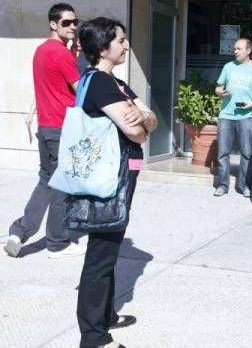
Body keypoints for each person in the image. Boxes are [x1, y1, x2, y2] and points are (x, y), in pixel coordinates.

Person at [76, 17, 158, 348]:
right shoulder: (100, 83)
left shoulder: (115, 83)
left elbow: (149, 117)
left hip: (120, 173)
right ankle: (94, 337)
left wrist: (143, 119)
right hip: (110, 177)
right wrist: (140, 122)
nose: (125, 45)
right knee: (101, 254)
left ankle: (106, 314)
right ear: (102, 46)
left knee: (108, 249)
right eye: (120, 40)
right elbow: (136, 130)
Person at [4, 3, 86, 259]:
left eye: (75, 22)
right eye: (66, 23)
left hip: (47, 127)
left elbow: (56, 81)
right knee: (61, 185)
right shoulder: (61, 54)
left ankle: (19, 232)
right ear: (53, 24)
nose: (72, 27)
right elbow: (78, 88)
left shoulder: (41, 51)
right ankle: (57, 243)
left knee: (46, 181)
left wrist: (73, 53)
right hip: (62, 127)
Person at [214, 38, 252, 197]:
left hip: (247, 115)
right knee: (223, 152)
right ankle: (223, 185)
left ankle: (245, 186)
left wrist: (251, 105)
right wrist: (221, 92)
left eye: (239, 48)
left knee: (246, 153)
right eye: (234, 48)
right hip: (226, 115)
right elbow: (218, 87)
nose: (235, 51)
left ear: (248, 50)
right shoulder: (228, 67)